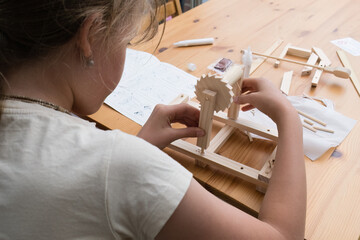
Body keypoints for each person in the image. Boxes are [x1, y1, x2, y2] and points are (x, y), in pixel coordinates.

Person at [0, 0, 306, 239]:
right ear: (90, 36)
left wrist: (138, 147)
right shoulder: (120, 168)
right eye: (127, 41)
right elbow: (283, 235)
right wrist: (289, 118)